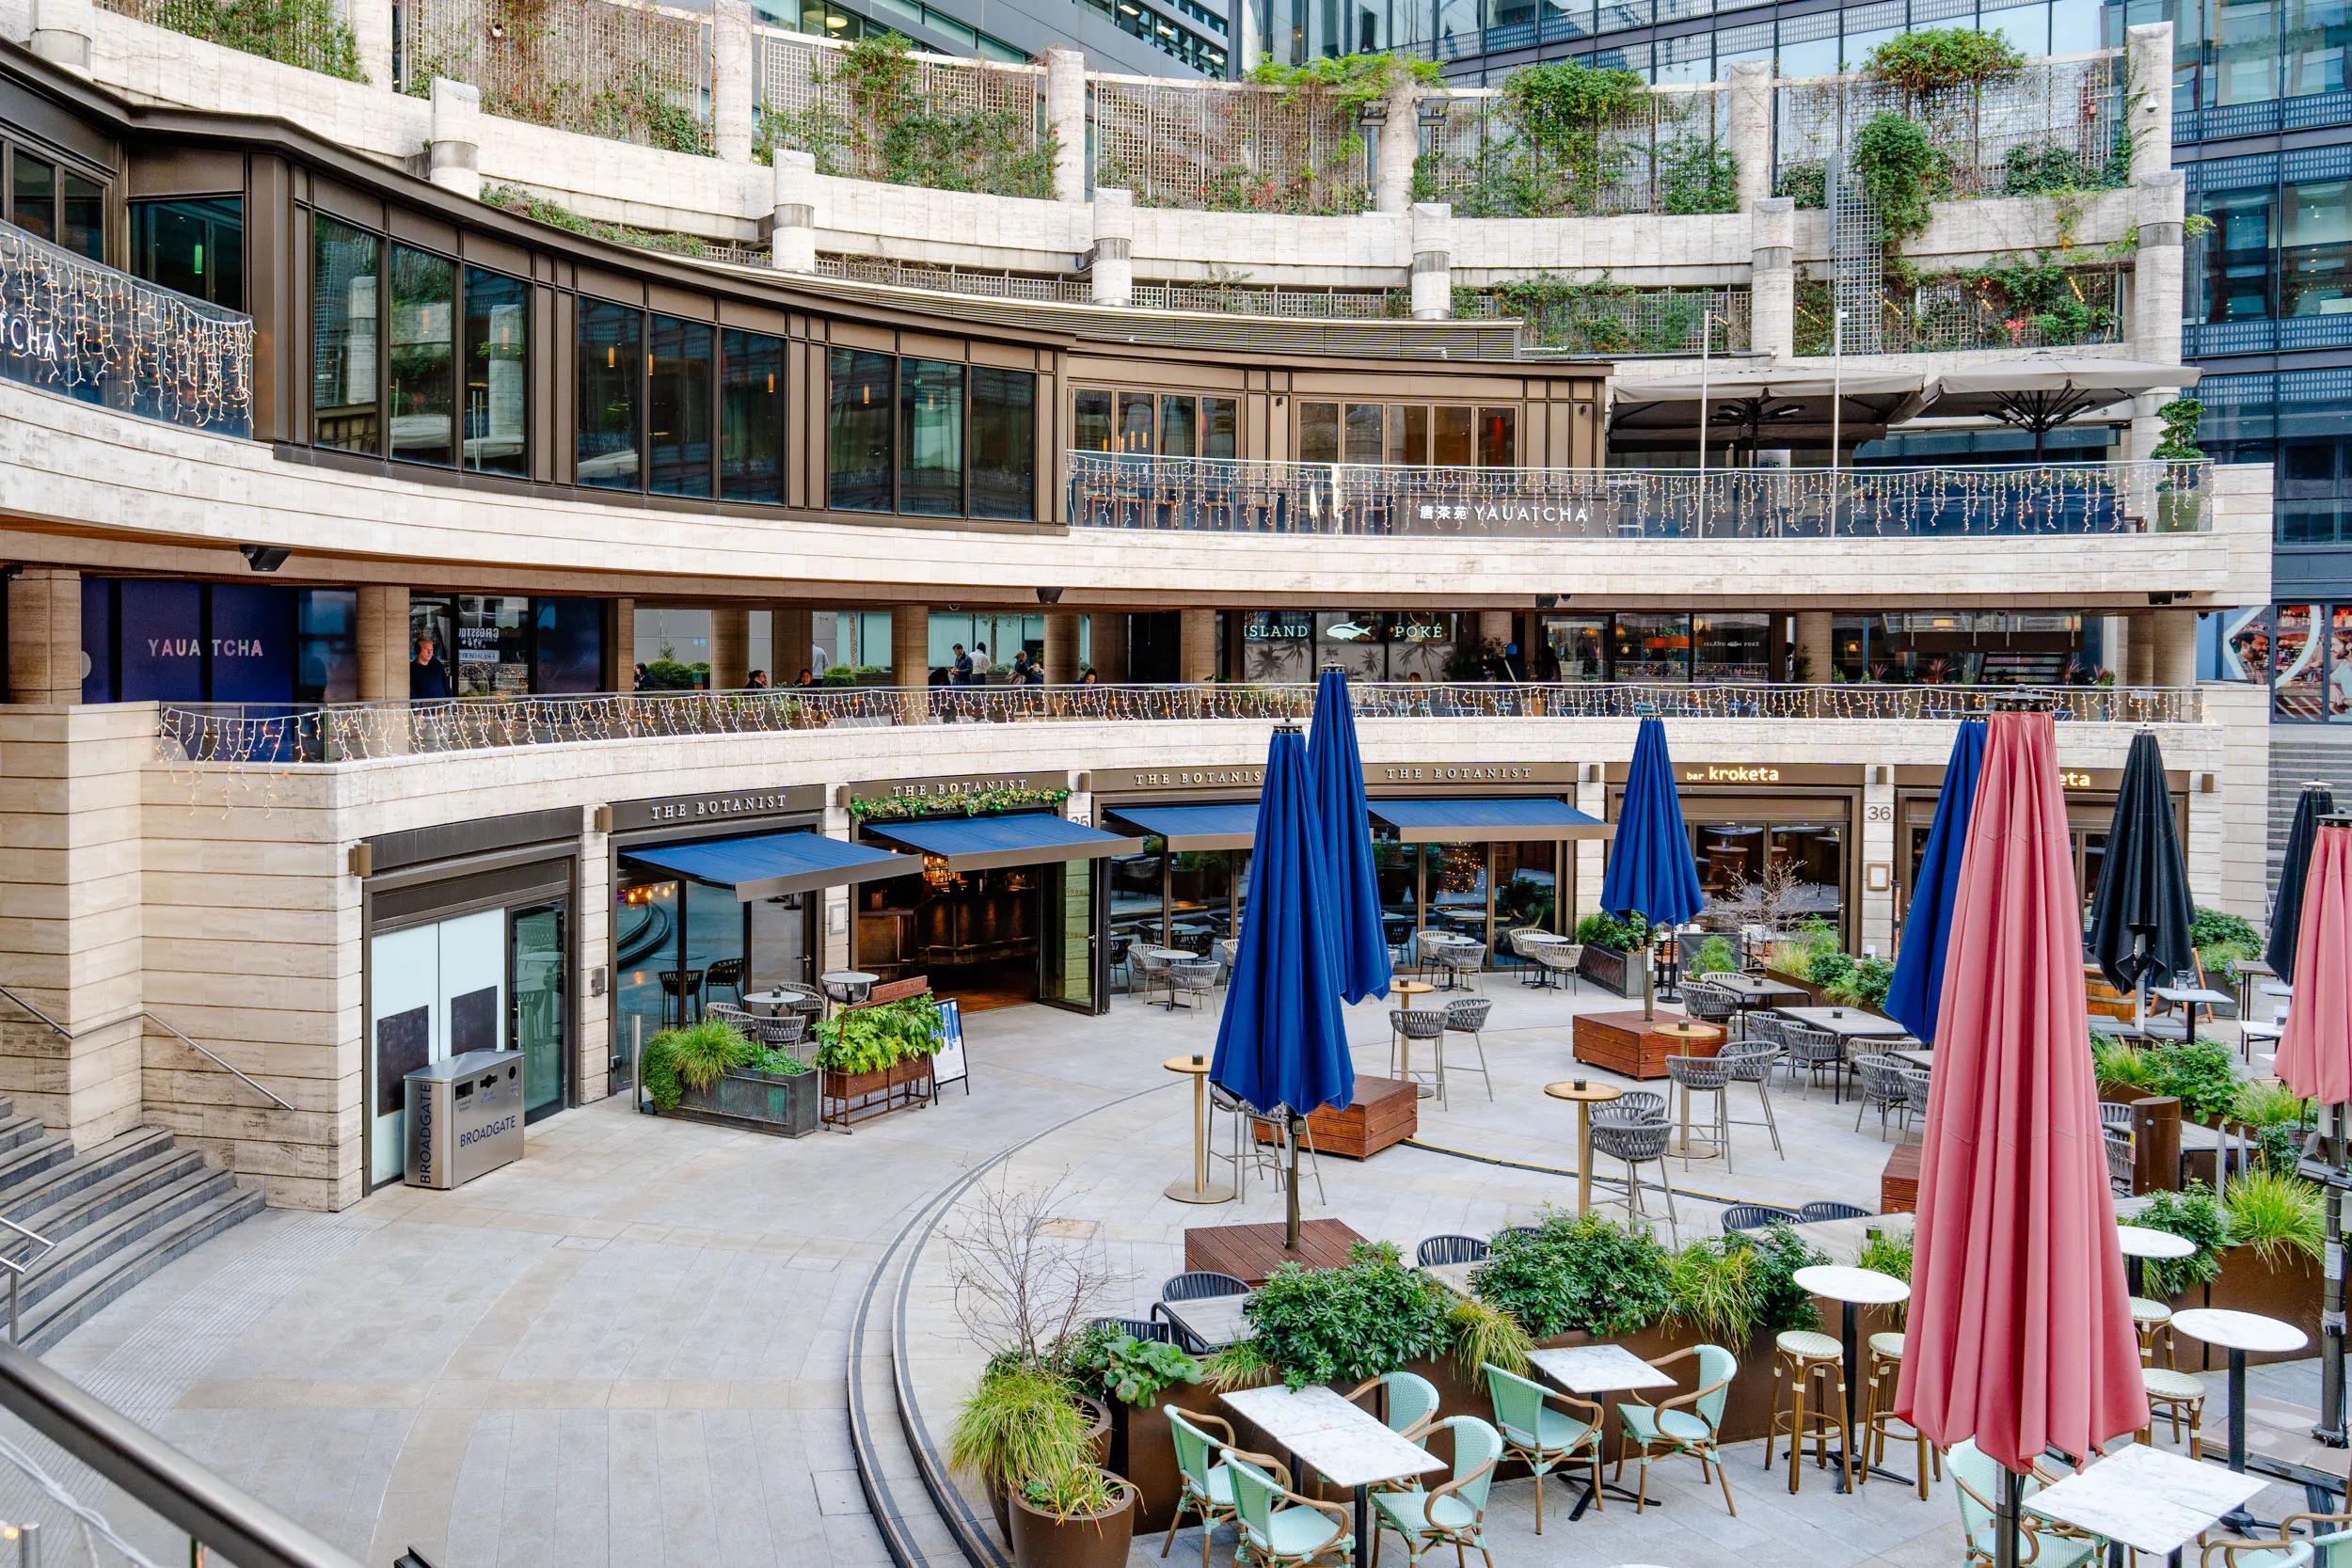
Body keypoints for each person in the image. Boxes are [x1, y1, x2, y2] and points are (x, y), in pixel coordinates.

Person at [410, 634, 452, 699]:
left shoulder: (437, 665)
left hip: (441, 706)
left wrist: (450, 702)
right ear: (418, 650)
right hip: (424, 707)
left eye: (431, 649)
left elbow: (446, 685)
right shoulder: (412, 669)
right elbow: (412, 693)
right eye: (426, 649)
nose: (430, 652)